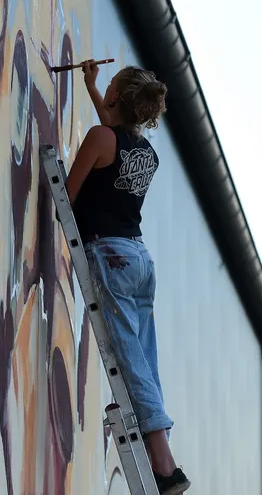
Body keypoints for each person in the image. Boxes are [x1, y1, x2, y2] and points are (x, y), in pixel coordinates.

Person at [65, 59, 191, 495]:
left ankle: (164, 464)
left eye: (111, 89)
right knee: (146, 360)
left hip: (110, 254)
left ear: (119, 97)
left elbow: (69, 193)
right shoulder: (146, 153)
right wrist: (92, 86)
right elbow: (112, 133)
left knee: (132, 361)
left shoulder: (101, 139)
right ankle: (164, 454)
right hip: (140, 258)